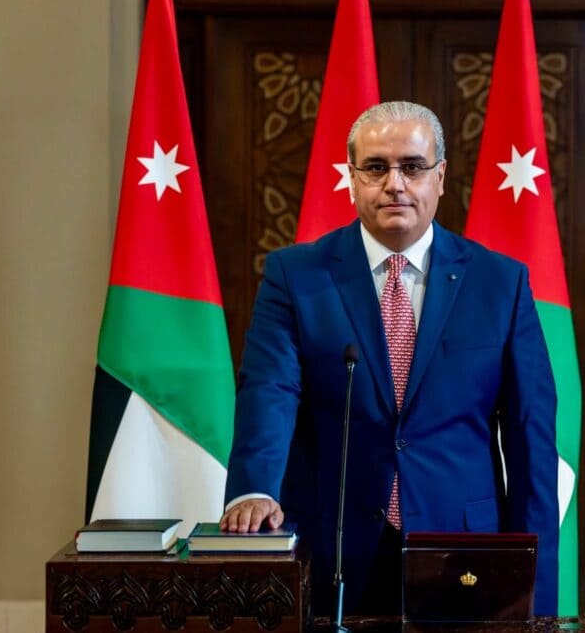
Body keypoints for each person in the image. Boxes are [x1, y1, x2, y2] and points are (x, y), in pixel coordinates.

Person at [220, 101, 559, 616]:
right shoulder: (296, 275)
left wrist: (538, 598)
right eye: (376, 167)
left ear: (440, 176)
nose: (394, 184)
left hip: (461, 551)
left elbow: (531, 436)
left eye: (413, 167)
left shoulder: (500, 283)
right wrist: (254, 489)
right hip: (334, 547)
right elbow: (270, 390)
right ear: (352, 178)